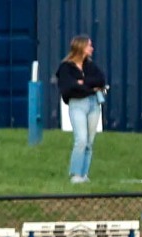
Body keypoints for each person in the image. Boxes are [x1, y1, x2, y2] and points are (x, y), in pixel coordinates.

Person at [59, 36, 108, 185]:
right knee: (81, 139)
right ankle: (75, 174)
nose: (91, 48)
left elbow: (101, 80)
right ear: (81, 48)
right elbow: (69, 87)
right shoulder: (66, 67)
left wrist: (83, 82)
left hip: (94, 104)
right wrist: (88, 86)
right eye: (89, 46)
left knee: (89, 142)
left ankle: (84, 174)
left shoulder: (90, 66)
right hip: (77, 104)